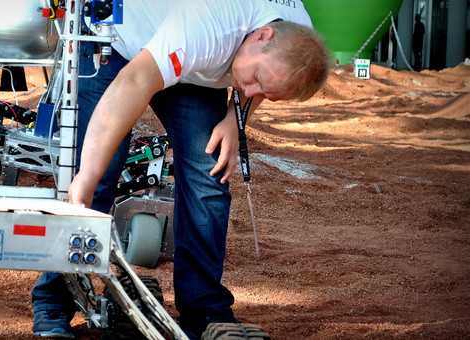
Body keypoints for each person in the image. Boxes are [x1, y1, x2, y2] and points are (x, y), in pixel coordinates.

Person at [31, 0, 331, 339]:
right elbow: (134, 81)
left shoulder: (295, 34)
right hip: (119, 41)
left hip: (196, 66)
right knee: (96, 177)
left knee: (209, 175)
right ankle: (54, 299)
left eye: (266, 93)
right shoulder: (212, 25)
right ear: (262, 35)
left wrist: (236, 121)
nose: (249, 91)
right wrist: (86, 175)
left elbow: (268, 80)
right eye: (255, 79)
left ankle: (203, 310)